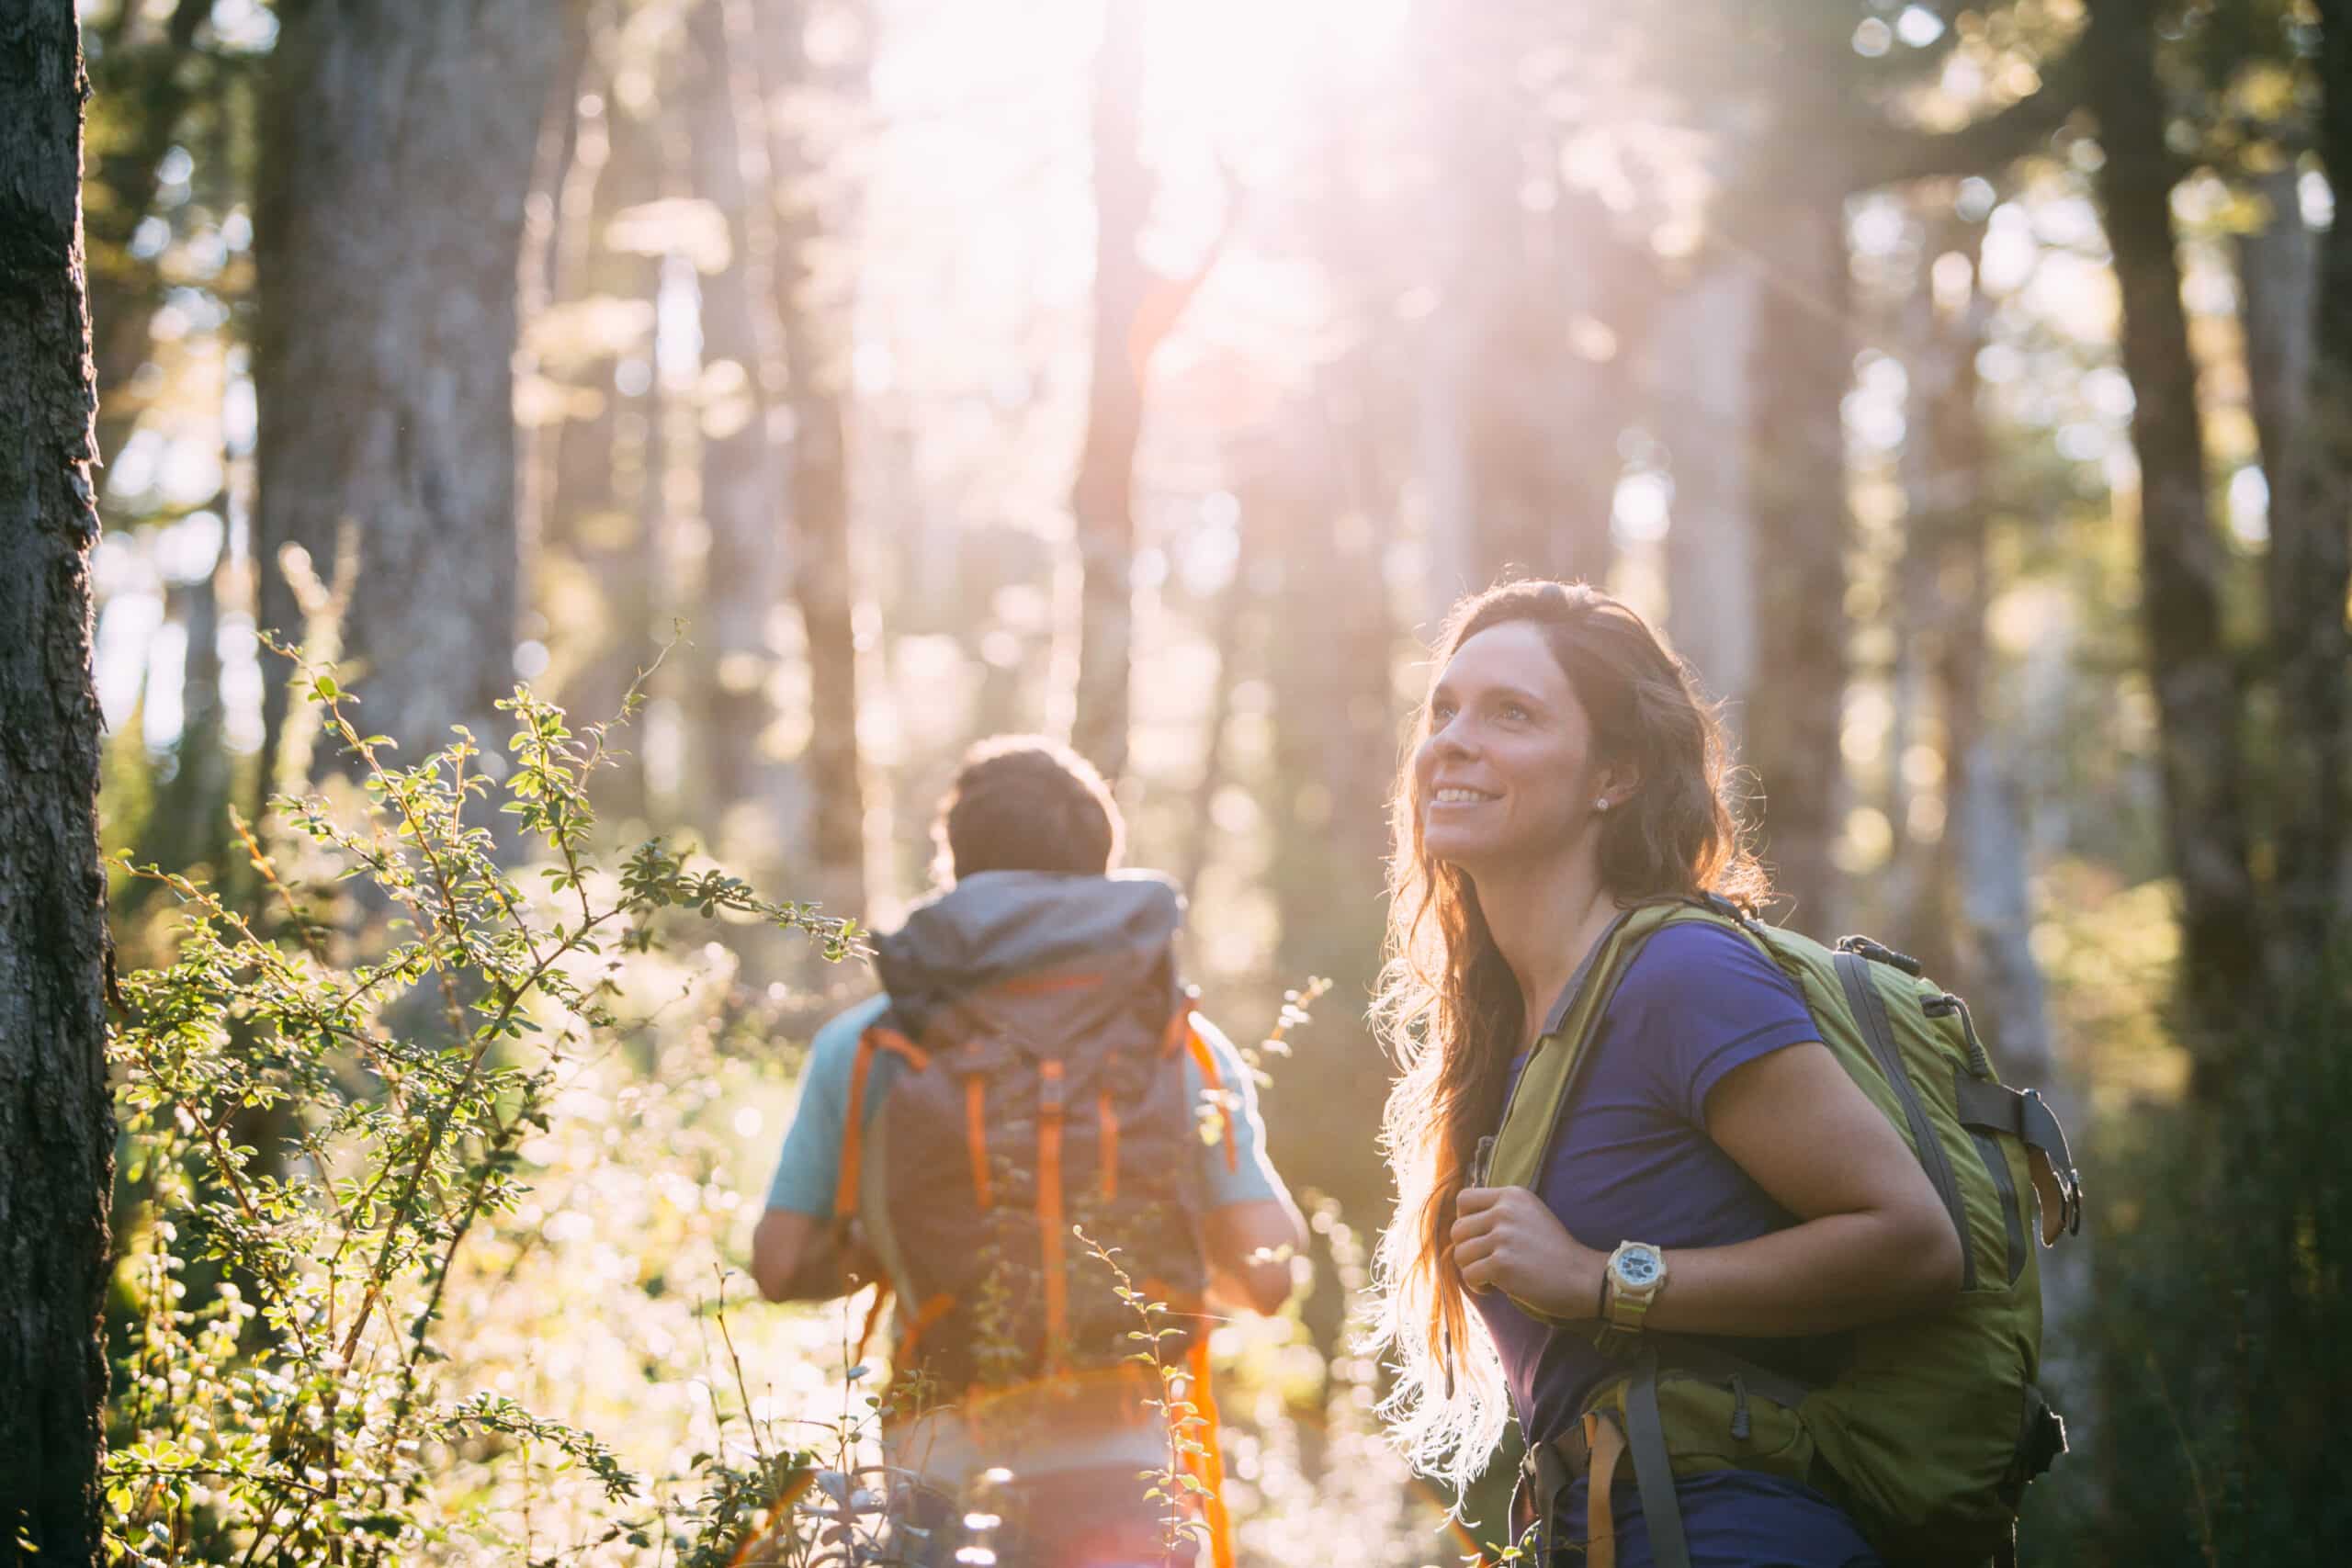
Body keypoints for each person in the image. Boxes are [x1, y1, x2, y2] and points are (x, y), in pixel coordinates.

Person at [1367, 581, 1965, 1568]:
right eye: (1444, 709)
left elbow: (1911, 1241)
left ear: (1615, 775)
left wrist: (1603, 1279)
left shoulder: (1681, 977)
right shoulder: (1509, 1025)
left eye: (1510, 713)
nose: (1451, 741)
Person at [751, 735, 1305, 1568]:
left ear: (956, 868)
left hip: (941, 1464)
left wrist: (896, 1247)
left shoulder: (866, 1043)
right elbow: (1267, 1272)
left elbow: (778, 1264)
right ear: (1101, 872)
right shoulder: (1182, 1043)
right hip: (1130, 1469)